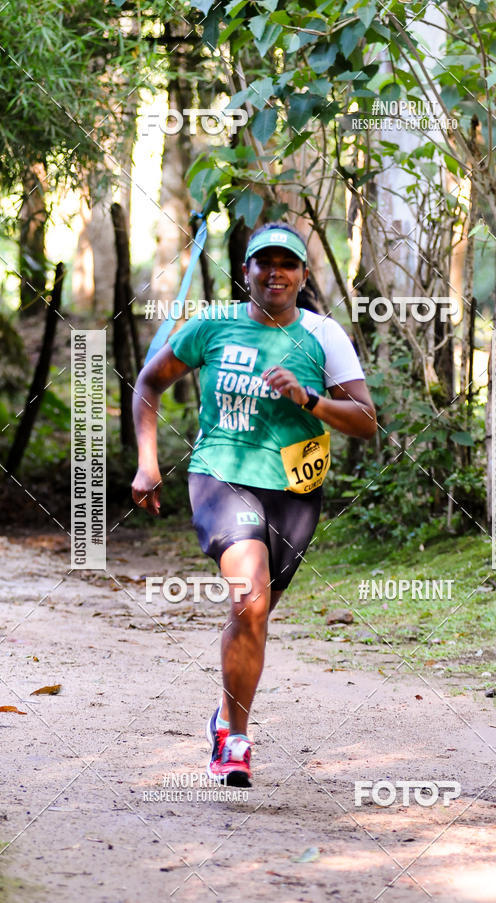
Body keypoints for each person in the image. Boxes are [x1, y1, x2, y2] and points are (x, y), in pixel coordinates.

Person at [131, 222, 377, 787]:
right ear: (245, 272)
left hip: (294, 489)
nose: (275, 273)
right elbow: (149, 382)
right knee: (249, 597)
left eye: (287, 264)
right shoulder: (212, 327)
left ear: (303, 276)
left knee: (258, 613)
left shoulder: (324, 336)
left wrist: (308, 398)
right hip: (222, 472)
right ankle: (235, 738)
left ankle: (222, 716)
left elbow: (365, 421)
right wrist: (148, 462)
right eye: (263, 262)